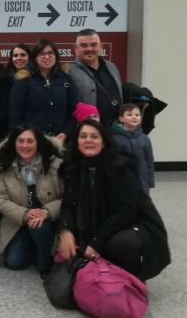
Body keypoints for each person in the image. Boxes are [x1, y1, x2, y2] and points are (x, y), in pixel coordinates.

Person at [57, 119, 170, 281]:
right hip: (103, 220)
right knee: (77, 252)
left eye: (94, 136)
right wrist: (65, 230)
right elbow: (68, 203)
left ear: (103, 143)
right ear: (77, 142)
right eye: (83, 136)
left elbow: (126, 211)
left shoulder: (120, 167)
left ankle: (135, 281)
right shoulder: (74, 168)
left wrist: (96, 241)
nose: (88, 140)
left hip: (134, 221)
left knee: (119, 244)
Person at [0, 124, 63, 275]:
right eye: (20, 141)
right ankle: (39, 245)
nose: (25, 145)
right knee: (14, 262)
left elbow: (68, 198)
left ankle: (45, 264)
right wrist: (24, 214)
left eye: (30, 141)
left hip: (51, 220)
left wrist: (46, 212)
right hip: (20, 221)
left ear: (38, 142)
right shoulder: (5, 166)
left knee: (38, 227)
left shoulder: (56, 165)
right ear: (14, 143)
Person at [9, 39, 78, 142]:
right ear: (35, 58)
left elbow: (74, 111)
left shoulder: (66, 79)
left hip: (61, 142)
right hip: (32, 142)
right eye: (42, 54)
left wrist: (65, 133)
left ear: (56, 56)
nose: (47, 57)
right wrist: (19, 139)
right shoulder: (23, 79)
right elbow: (15, 115)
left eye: (50, 53)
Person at [68, 29, 123, 123]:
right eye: (84, 45)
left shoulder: (111, 67)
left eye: (94, 45)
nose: (89, 49)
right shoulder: (69, 72)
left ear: (101, 46)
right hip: (89, 131)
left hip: (116, 129)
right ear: (76, 48)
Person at [110, 103, 155, 195]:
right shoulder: (114, 138)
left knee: (141, 206)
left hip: (142, 182)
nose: (134, 117)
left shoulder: (144, 139)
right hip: (122, 182)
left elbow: (149, 161)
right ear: (121, 119)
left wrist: (150, 181)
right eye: (129, 115)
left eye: (137, 115)